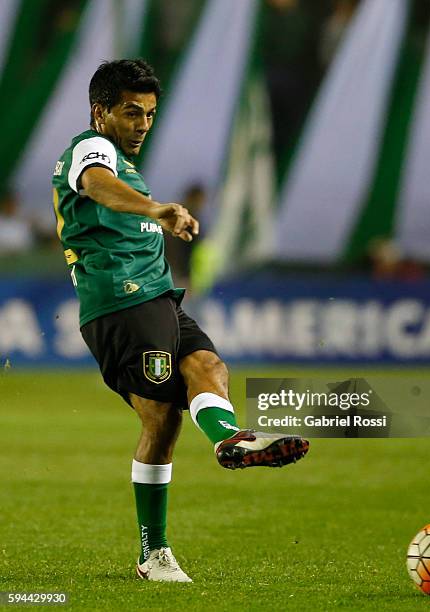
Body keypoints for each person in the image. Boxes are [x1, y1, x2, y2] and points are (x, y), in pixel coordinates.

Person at [52, 59, 309, 583]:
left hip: (158, 298)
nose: (143, 124)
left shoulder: (124, 160)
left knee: (207, 366)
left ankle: (229, 438)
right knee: (161, 419)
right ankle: (154, 553)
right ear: (100, 112)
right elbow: (97, 185)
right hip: (119, 303)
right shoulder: (90, 149)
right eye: (131, 113)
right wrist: (156, 209)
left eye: (149, 114)